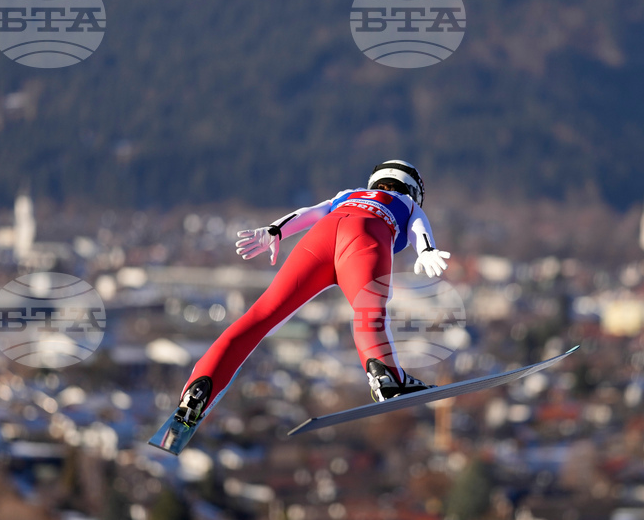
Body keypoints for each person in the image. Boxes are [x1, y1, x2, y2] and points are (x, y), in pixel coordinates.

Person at [173, 160, 452, 427]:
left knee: (261, 316)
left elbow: (310, 212)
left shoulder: (348, 194)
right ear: (413, 189)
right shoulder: (406, 202)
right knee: (369, 312)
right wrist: (426, 250)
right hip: (366, 234)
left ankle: (199, 386)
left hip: (320, 238)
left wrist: (275, 231)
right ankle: (387, 379)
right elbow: (418, 227)